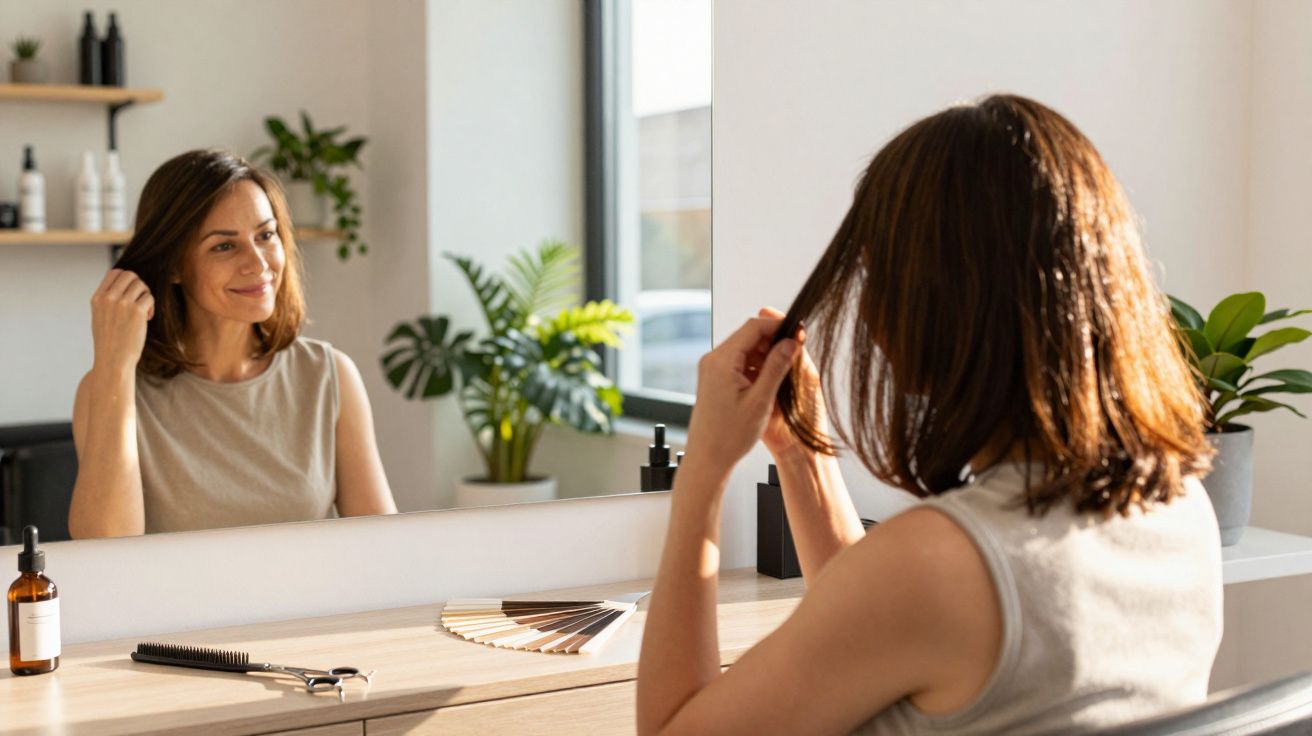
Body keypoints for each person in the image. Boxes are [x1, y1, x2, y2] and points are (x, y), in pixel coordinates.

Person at [636, 94, 1221, 734]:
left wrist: (705, 470)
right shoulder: (1181, 506)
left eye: (878, 275)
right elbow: (867, 627)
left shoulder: (937, 564)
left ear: (934, 304)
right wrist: (800, 450)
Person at [68, 149, 397, 538]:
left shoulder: (329, 375)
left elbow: (384, 546)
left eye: (266, 235)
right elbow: (105, 549)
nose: (258, 263)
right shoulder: (109, 390)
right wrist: (115, 364)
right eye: (224, 246)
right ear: (173, 266)